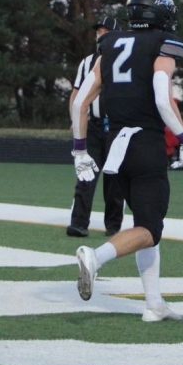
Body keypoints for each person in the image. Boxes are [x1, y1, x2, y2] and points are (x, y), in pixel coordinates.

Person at [71, 0, 183, 322]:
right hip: (145, 144)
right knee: (151, 229)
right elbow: (160, 97)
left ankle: (153, 303)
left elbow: (82, 101)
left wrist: (80, 149)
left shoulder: (109, 43)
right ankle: (95, 258)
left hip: (115, 144)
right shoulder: (162, 45)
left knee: (144, 223)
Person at [66, 15, 125, 238]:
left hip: (117, 126)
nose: (100, 35)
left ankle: (113, 224)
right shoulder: (87, 62)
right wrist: (75, 120)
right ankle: (79, 222)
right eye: (98, 32)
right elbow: (77, 93)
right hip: (94, 125)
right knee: (85, 173)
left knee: (115, 178)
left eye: (105, 32)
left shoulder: (122, 62)